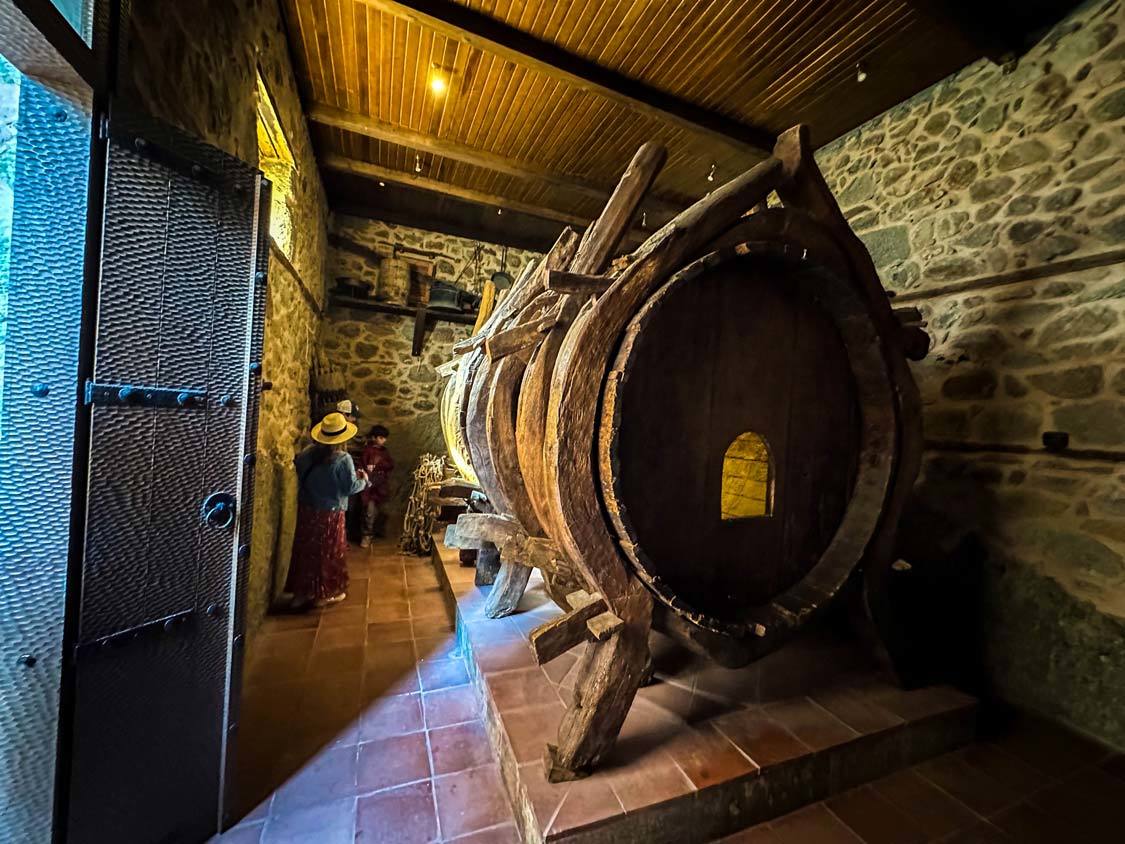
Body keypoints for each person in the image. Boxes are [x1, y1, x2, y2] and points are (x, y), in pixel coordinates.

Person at [285, 412, 368, 611]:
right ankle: (323, 594)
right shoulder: (343, 459)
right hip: (330, 512)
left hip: (307, 510)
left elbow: (299, 469)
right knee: (327, 553)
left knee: (305, 551)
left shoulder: (307, 454)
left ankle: (301, 593)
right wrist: (363, 480)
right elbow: (349, 487)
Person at [360, 425, 394, 547]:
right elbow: (363, 466)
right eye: (381, 438)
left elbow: (390, 465)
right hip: (369, 486)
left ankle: (376, 531)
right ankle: (366, 535)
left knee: (379, 510)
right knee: (369, 511)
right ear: (374, 438)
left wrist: (380, 466)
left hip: (381, 486)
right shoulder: (367, 451)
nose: (383, 440)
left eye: (384, 438)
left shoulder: (384, 452)